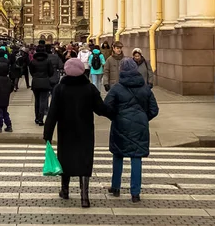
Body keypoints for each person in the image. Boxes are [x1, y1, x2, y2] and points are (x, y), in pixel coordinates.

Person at [44, 57, 110, 208]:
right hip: (85, 131)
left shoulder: (60, 89)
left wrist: (47, 133)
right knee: (84, 161)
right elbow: (101, 109)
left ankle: (65, 190)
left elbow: (52, 112)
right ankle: (84, 197)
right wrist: (114, 113)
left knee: (65, 159)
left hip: (66, 131)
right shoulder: (89, 88)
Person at [104, 58, 159, 202]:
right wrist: (143, 118)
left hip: (120, 124)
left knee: (118, 155)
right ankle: (135, 193)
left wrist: (115, 117)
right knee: (136, 158)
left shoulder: (116, 88)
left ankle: (115, 187)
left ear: (122, 70)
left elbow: (106, 107)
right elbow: (154, 109)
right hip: (140, 126)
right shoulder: (145, 87)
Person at [29, 45, 53, 126]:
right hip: (45, 81)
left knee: (37, 100)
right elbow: (51, 72)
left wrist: (36, 76)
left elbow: (31, 71)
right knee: (43, 100)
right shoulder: (48, 61)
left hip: (36, 82)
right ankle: (41, 119)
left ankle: (36, 117)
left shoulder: (33, 61)